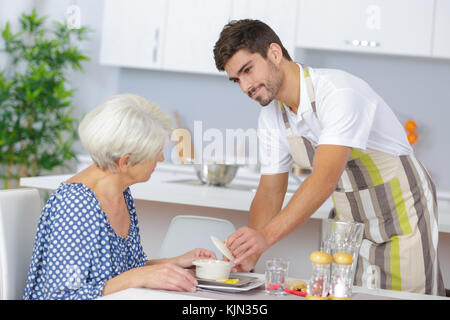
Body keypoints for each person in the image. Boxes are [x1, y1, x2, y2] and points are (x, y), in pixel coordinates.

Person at [213, 19, 445, 295]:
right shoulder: (272, 117)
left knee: (406, 295)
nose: (245, 87)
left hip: (400, 214)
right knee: (349, 292)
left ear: (274, 53)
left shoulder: (338, 93)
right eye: (236, 79)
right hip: (351, 225)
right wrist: (250, 253)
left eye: (248, 70)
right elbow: (269, 191)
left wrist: (265, 236)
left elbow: (324, 179)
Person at [23, 93, 216, 300]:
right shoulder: (74, 204)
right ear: (125, 162)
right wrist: (137, 276)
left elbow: (126, 271)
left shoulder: (121, 193)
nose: (161, 158)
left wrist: (174, 262)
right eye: (157, 152)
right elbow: (61, 296)